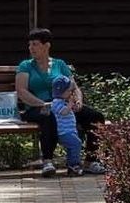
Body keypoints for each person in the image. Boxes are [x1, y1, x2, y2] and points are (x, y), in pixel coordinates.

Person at [15, 28, 106, 177]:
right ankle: (48, 162)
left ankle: (91, 161)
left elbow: (74, 87)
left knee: (95, 116)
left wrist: (78, 101)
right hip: (37, 107)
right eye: (29, 45)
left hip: (64, 105)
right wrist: (42, 104)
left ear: (46, 46)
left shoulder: (60, 64)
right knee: (48, 116)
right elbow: (22, 91)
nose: (31, 48)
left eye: (35, 44)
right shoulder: (26, 66)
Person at [50, 76, 84, 176]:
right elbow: (63, 112)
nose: (71, 93)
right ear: (61, 91)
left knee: (73, 146)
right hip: (63, 132)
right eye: (69, 91)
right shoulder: (56, 102)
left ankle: (71, 166)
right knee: (76, 144)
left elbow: (69, 111)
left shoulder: (64, 101)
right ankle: (74, 165)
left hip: (70, 130)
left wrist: (74, 105)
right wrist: (70, 105)